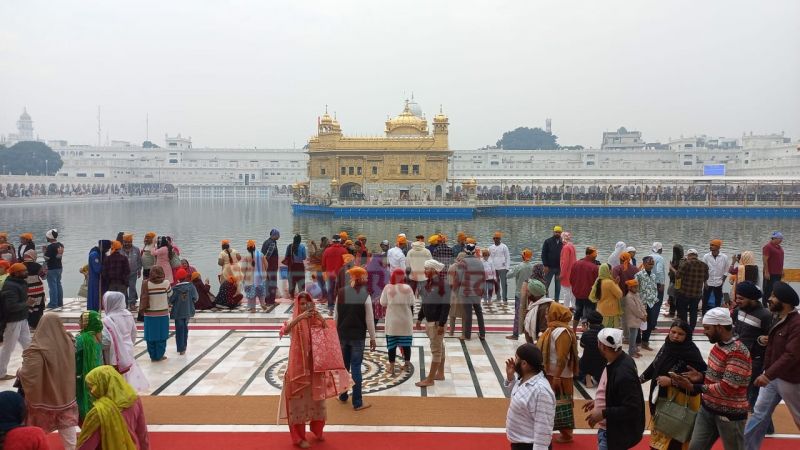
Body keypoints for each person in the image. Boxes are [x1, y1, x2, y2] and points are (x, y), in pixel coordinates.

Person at [670, 308, 751, 450]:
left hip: (729, 414)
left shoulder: (738, 352)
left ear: (719, 327)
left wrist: (694, 387)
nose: (704, 332)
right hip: (708, 409)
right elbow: (718, 375)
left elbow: (727, 387)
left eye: (707, 328)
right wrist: (702, 376)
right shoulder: (719, 346)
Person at [280, 292, 350, 449]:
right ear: (297, 306)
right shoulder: (294, 320)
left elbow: (328, 332)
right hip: (298, 370)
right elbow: (285, 330)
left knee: (317, 401)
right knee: (298, 402)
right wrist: (300, 318)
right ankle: (299, 438)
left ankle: (317, 429)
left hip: (315, 368)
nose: (305, 306)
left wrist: (320, 318)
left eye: (307, 303)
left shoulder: (315, 321)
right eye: (302, 304)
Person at [744, 282, 800, 448]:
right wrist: (765, 341)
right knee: (759, 414)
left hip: (790, 380)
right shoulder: (778, 318)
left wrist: (767, 375)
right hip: (772, 377)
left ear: (785, 302)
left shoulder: (797, 324)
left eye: (774, 296)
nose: (769, 299)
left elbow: (791, 355)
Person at [639, 319, 707, 450]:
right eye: (673, 332)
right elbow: (655, 365)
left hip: (680, 404)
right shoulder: (667, 346)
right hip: (663, 399)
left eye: (680, 334)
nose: (675, 336)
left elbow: (701, 379)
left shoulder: (691, 352)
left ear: (687, 336)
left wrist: (671, 382)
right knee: (659, 439)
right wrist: (639, 380)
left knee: (674, 441)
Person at [18, 313, 79, 450]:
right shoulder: (69, 342)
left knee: (37, 434)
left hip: (44, 400)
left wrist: (19, 372)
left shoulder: (37, 350)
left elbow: (29, 374)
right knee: (68, 434)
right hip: (66, 396)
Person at [583, 327, 645, 450]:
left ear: (602, 346)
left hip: (614, 433)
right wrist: (600, 401)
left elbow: (632, 408)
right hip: (611, 430)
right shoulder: (617, 360)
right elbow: (617, 392)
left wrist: (603, 413)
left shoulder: (623, 373)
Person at [76, 365, 150, 450]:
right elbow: (142, 434)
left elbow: (87, 446)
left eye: (91, 387)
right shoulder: (134, 400)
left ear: (102, 385)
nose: (91, 392)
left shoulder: (99, 413)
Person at [336, 266, 377, 411]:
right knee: (356, 367)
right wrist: (373, 337)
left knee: (344, 367)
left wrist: (336, 334)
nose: (367, 279)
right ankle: (358, 402)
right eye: (365, 277)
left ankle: (343, 395)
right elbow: (369, 320)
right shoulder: (365, 295)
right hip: (358, 337)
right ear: (360, 279)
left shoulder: (341, 292)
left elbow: (336, 316)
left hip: (342, 335)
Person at [537, 302, 579, 443]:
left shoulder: (562, 332)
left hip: (561, 376)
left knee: (562, 402)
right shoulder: (551, 329)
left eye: (548, 312)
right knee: (552, 402)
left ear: (556, 314)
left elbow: (562, 357)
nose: (546, 315)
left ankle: (567, 434)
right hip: (551, 373)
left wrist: (556, 376)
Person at [504, 344, 556, 450]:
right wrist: (510, 377)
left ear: (524, 364)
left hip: (529, 446)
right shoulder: (523, 379)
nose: (514, 361)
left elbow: (543, 429)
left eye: (516, 358)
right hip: (520, 443)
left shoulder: (541, 391)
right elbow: (517, 395)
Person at [101, 292, 148, 392]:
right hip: (128, 347)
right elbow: (134, 332)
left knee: (116, 375)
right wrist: (130, 344)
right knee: (127, 373)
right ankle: (127, 393)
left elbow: (106, 341)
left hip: (113, 351)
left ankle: (118, 395)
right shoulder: (128, 314)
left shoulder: (108, 319)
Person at [416, 259, 450, 387]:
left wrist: (441, 324)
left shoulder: (443, 285)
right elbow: (424, 303)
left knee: (436, 350)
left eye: (427, 269)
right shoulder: (427, 284)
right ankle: (440, 374)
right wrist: (420, 318)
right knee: (440, 346)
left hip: (436, 323)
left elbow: (446, 306)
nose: (424, 271)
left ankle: (430, 379)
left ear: (434, 270)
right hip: (430, 321)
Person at [0, 263, 32, 380]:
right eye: (23, 271)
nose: (26, 272)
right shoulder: (10, 286)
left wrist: (27, 306)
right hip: (13, 321)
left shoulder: (20, 283)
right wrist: (26, 304)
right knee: (8, 347)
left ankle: (32, 367)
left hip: (22, 318)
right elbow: (11, 307)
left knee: (28, 345)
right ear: (16, 273)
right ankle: (1, 373)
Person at [380, 268, 415, 375]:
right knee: (406, 345)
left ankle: (391, 368)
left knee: (392, 345)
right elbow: (412, 302)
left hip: (392, 322)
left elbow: (382, 302)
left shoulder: (388, 287)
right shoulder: (408, 288)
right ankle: (407, 365)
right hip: (405, 321)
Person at [76, 310, 103, 423]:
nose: (79, 323)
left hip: (84, 375)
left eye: (81, 320)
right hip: (98, 374)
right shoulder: (98, 336)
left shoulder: (81, 339)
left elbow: (73, 354)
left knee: (84, 399)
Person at [140, 266, 171, 362]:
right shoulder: (166, 283)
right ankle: (159, 355)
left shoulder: (146, 283)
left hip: (149, 314)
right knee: (162, 335)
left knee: (150, 336)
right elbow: (170, 294)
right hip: (162, 314)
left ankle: (153, 356)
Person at [456, 242, 486, 341]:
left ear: (465, 251)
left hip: (466, 292)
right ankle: (482, 334)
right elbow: (483, 278)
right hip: (477, 291)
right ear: (474, 252)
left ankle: (467, 335)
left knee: (468, 314)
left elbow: (458, 278)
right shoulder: (479, 262)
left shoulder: (462, 262)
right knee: (479, 312)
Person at [676, 249, 709, 332]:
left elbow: (678, 276)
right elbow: (706, 278)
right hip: (697, 294)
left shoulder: (686, 264)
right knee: (693, 312)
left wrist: (672, 269)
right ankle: (691, 329)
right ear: (696, 256)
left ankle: (685, 328)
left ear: (689, 256)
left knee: (683, 311)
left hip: (684, 293)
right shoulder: (704, 265)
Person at [169, 268, 198, 355]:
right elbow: (196, 298)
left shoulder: (175, 288)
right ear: (186, 276)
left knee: (179, 329)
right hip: (188, 310)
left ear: (177, 278)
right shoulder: (191, 287)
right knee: (185, 328)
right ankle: (184, 346)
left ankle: (181, 348)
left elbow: (171, 300)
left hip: (178, 312)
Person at [507, 249, 534, 340]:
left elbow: (508, 275)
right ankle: (529, 335)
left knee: (518, 314)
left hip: (519, 294)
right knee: (529, 314)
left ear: (522, 256)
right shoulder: (532, 267)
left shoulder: (519, 266)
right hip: (530, 294)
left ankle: (515, 334)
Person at [571, 247, 599, 330]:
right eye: (595, 255)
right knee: (590, 314)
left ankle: (574, 330)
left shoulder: (576, 264)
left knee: (577, 312)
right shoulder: (594, 267)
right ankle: (589, 331)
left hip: (578, 293)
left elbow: (571, 279)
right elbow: (596, 283)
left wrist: (575, 289)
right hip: (589, 294)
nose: (596, 256)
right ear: (590, 255)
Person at [635, 256, 659, 351]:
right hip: (641, 303)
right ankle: (637, 341)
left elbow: (654, 288)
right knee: (638, 322)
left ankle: (645, 342)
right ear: (644, 264)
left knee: (650, 323)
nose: (651, 265)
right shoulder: (639, 275)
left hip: (651, 303)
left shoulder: (653, 275)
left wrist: (655, 298)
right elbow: (635, 289)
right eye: (649, 264)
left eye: (652, 264)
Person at [591, 263, 623, 329]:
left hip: (600, 309)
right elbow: (620, 295)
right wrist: (616, 284)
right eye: (610, 270)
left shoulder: (598, 281)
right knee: (611, 331)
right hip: (611, 311)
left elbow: (593, 297)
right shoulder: (610, 282)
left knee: (603, 329)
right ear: (608, 271)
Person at [702, 239, 730, 314]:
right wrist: (705, 282)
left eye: (712, 245)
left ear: (718, 247)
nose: (710, 247)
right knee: (705, 299)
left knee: (718, 300)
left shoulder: (724, 257)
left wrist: (722, 281)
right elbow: (703, 270)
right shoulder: (706, 256)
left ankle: (716, 315)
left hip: (719, 282)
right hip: (708, 282)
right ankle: (704, 314)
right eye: (710, 245)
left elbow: (726, 271)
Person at [321, 235, 347, 314]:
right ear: (340, 241)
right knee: (341, 291)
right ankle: (341, 307)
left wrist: (324, 273)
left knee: (330, 290)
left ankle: (331, 308)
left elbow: (323, 264)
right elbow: (347, 264)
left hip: (330, 274)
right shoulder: (344, 250)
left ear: (332, 241)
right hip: (341, 275)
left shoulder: (327, 250)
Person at [578, 311, 604, 388]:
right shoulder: (605, 332)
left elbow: (582, 345)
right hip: (602, 363)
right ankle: (600, 378)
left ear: (588, 322)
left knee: (576, 368)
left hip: (587, 363)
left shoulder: (586, 334)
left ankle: (587, 378)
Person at [241, 240, 268, 313]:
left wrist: (243, 277)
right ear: (254, 247)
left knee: (251, 294)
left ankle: (253, 308)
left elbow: (243, 269)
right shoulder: (261, 254)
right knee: (261, 292)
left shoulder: (246, 256)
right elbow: (266, 265)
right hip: (261, 277)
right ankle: (263, 304)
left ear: (247, 248)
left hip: (250, 278)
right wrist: (264, 271)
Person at [22, 249, 45, 329]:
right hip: (38, 291)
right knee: (37, 307)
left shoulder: (21, 266)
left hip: (26, 291)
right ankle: (36, 324)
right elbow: (43, 276)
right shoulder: (37, 266)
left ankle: (29, 323)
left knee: (29, 307)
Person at [622, 279, 646, 357]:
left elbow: (641, 305)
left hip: (638, 319)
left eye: (637, 287)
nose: (636, 288)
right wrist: (642, 316)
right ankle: (631, 352)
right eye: (634, 287)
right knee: (632, 337)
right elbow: (635, 309)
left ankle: (634, 350)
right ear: (629, 288)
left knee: (635, 337)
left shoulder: (636, 294)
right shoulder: (629, 297)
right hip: (632, 319)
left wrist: (645, 314)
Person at [761, 231, 784, 306]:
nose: (781, 240)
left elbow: (780, 259)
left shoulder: (779, 247)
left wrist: (782, 270)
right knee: (768, 290)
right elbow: (765, 260)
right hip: (771, 273)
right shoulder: (768, 247)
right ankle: (764, 305)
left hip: (778, 272)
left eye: (782, 238)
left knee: (776, 290)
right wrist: (766, 272)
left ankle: (773, 305)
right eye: (780, 238)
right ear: (774, 238)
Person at [119, 234, 142, 310]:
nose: (127, 243)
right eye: (125, 242)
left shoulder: (136, 249)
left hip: (133, 272)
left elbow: (139, 260)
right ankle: (125, 304)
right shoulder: (119, 250)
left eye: (129, 242)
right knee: (124, 288)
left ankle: (132, 303)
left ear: (131, 242)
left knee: (132, 288)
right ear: (123, 242)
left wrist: (139, 270)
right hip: (123, 274)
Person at [43, 229, 64, 309]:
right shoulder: (60, 245)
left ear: (49, 237)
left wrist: (44, 251)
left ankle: (53, 304)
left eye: (47, 237)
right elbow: (58, 256)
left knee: (52, 287)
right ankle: (60, 302)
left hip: (51, 268)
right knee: (58, 284)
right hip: (59, 267)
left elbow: (46, 258)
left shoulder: (50, 247)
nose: (46, 238)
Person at [541, 226, 563, 301]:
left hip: (559, 268)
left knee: (558, 286)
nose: (557, 233)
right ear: (553, 232)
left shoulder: (563, 242)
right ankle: (547, 300)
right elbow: (543, 254)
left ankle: (556, 300)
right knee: (546, 285)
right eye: (556, 232)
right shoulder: (548, 241)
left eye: (559, 232)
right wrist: (545, 265)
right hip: (549, 267)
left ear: (561, 233)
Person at [87, 240, 110, 312]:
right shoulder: (94, 255)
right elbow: (97, 269)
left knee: (99, 298)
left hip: (100, 280)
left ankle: (98, 309)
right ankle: (93, 312)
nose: (107, 251)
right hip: (95, 280)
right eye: (107, 249)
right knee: (94, 298)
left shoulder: (101, 254)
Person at [447, 252, 466, 337]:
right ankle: (463, 332)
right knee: (464, 314)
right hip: (464, 294)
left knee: (452, 314)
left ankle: (451, 331)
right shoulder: (467, 267)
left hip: (454, 293)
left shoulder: (452, 267)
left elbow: (450, 282)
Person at [489, 232, 511, 303]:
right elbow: (490, 258)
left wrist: (507, 268)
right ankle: (498, 298)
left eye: (497, 238)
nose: (496, 239)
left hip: (503, 268)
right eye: (495, 238)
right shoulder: (491, 247)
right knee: (496, 284)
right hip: (494, 268)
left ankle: (505, 299)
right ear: (493, 239)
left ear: (500, 239)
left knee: (504, 284)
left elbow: (508, 257)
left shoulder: (504, 246)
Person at [261, 229, 281, 304]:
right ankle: (271, 301)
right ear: (274, 235)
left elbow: (262, 254)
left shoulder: (265, 242)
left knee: (267, 283)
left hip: (266, 267)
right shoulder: (272, 243)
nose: (279, 236)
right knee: (272, 284)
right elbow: (267, 256)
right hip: (271, 267)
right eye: (278, 235)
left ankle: (267, 300)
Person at [667, 244, 686, 318]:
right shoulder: (676, 260)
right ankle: (673, 313)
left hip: (678, 282)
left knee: (675, 297)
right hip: (674, 281)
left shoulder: (682, 261)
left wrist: (671, 268)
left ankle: (675, 313)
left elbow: (679, 274)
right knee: (672, 297)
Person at [559, 231, 576, 309]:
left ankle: (565, 308)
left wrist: (562, 274)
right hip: (573, 272)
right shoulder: (572, 246)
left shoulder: (565, 248)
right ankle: (574, 306)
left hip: (566, 273)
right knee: (572, 291)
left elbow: (565, 262)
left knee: (566, 292)